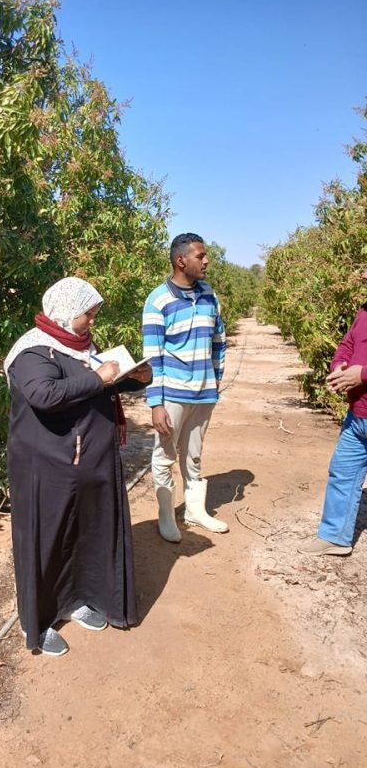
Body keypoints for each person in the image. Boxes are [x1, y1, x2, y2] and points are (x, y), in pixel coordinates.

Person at [4, 277, 151, 656]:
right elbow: (44, 394)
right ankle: (40, 622)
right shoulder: (33, 352)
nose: (92, 321)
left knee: (84, 534)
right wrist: (95, 377)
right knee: (48, 540)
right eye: (89, 313)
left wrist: (134, 379)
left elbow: (102, 384)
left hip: (88, 463)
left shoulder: (83, 348)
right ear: (68, 311)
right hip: (47, 468)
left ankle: (77, 599)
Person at [142, 232, 228, 543]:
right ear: (181, 260)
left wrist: (215, 380)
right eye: (200, 256)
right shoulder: (158, 300)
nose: (206, 261)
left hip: (204, 394)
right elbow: (153, 357)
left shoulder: (209, 295)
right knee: (164, 455)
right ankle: (166, 515)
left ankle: (195, 510)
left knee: (193, 456)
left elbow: (219, 341)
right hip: (173, 395)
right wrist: (156, 404)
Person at [298, 273, 367, 557]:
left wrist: (362, 374)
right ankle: (335, 536)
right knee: (342, 473)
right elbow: (348, 344)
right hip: (357, 416)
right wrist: (339, 365)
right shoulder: (364, 310)